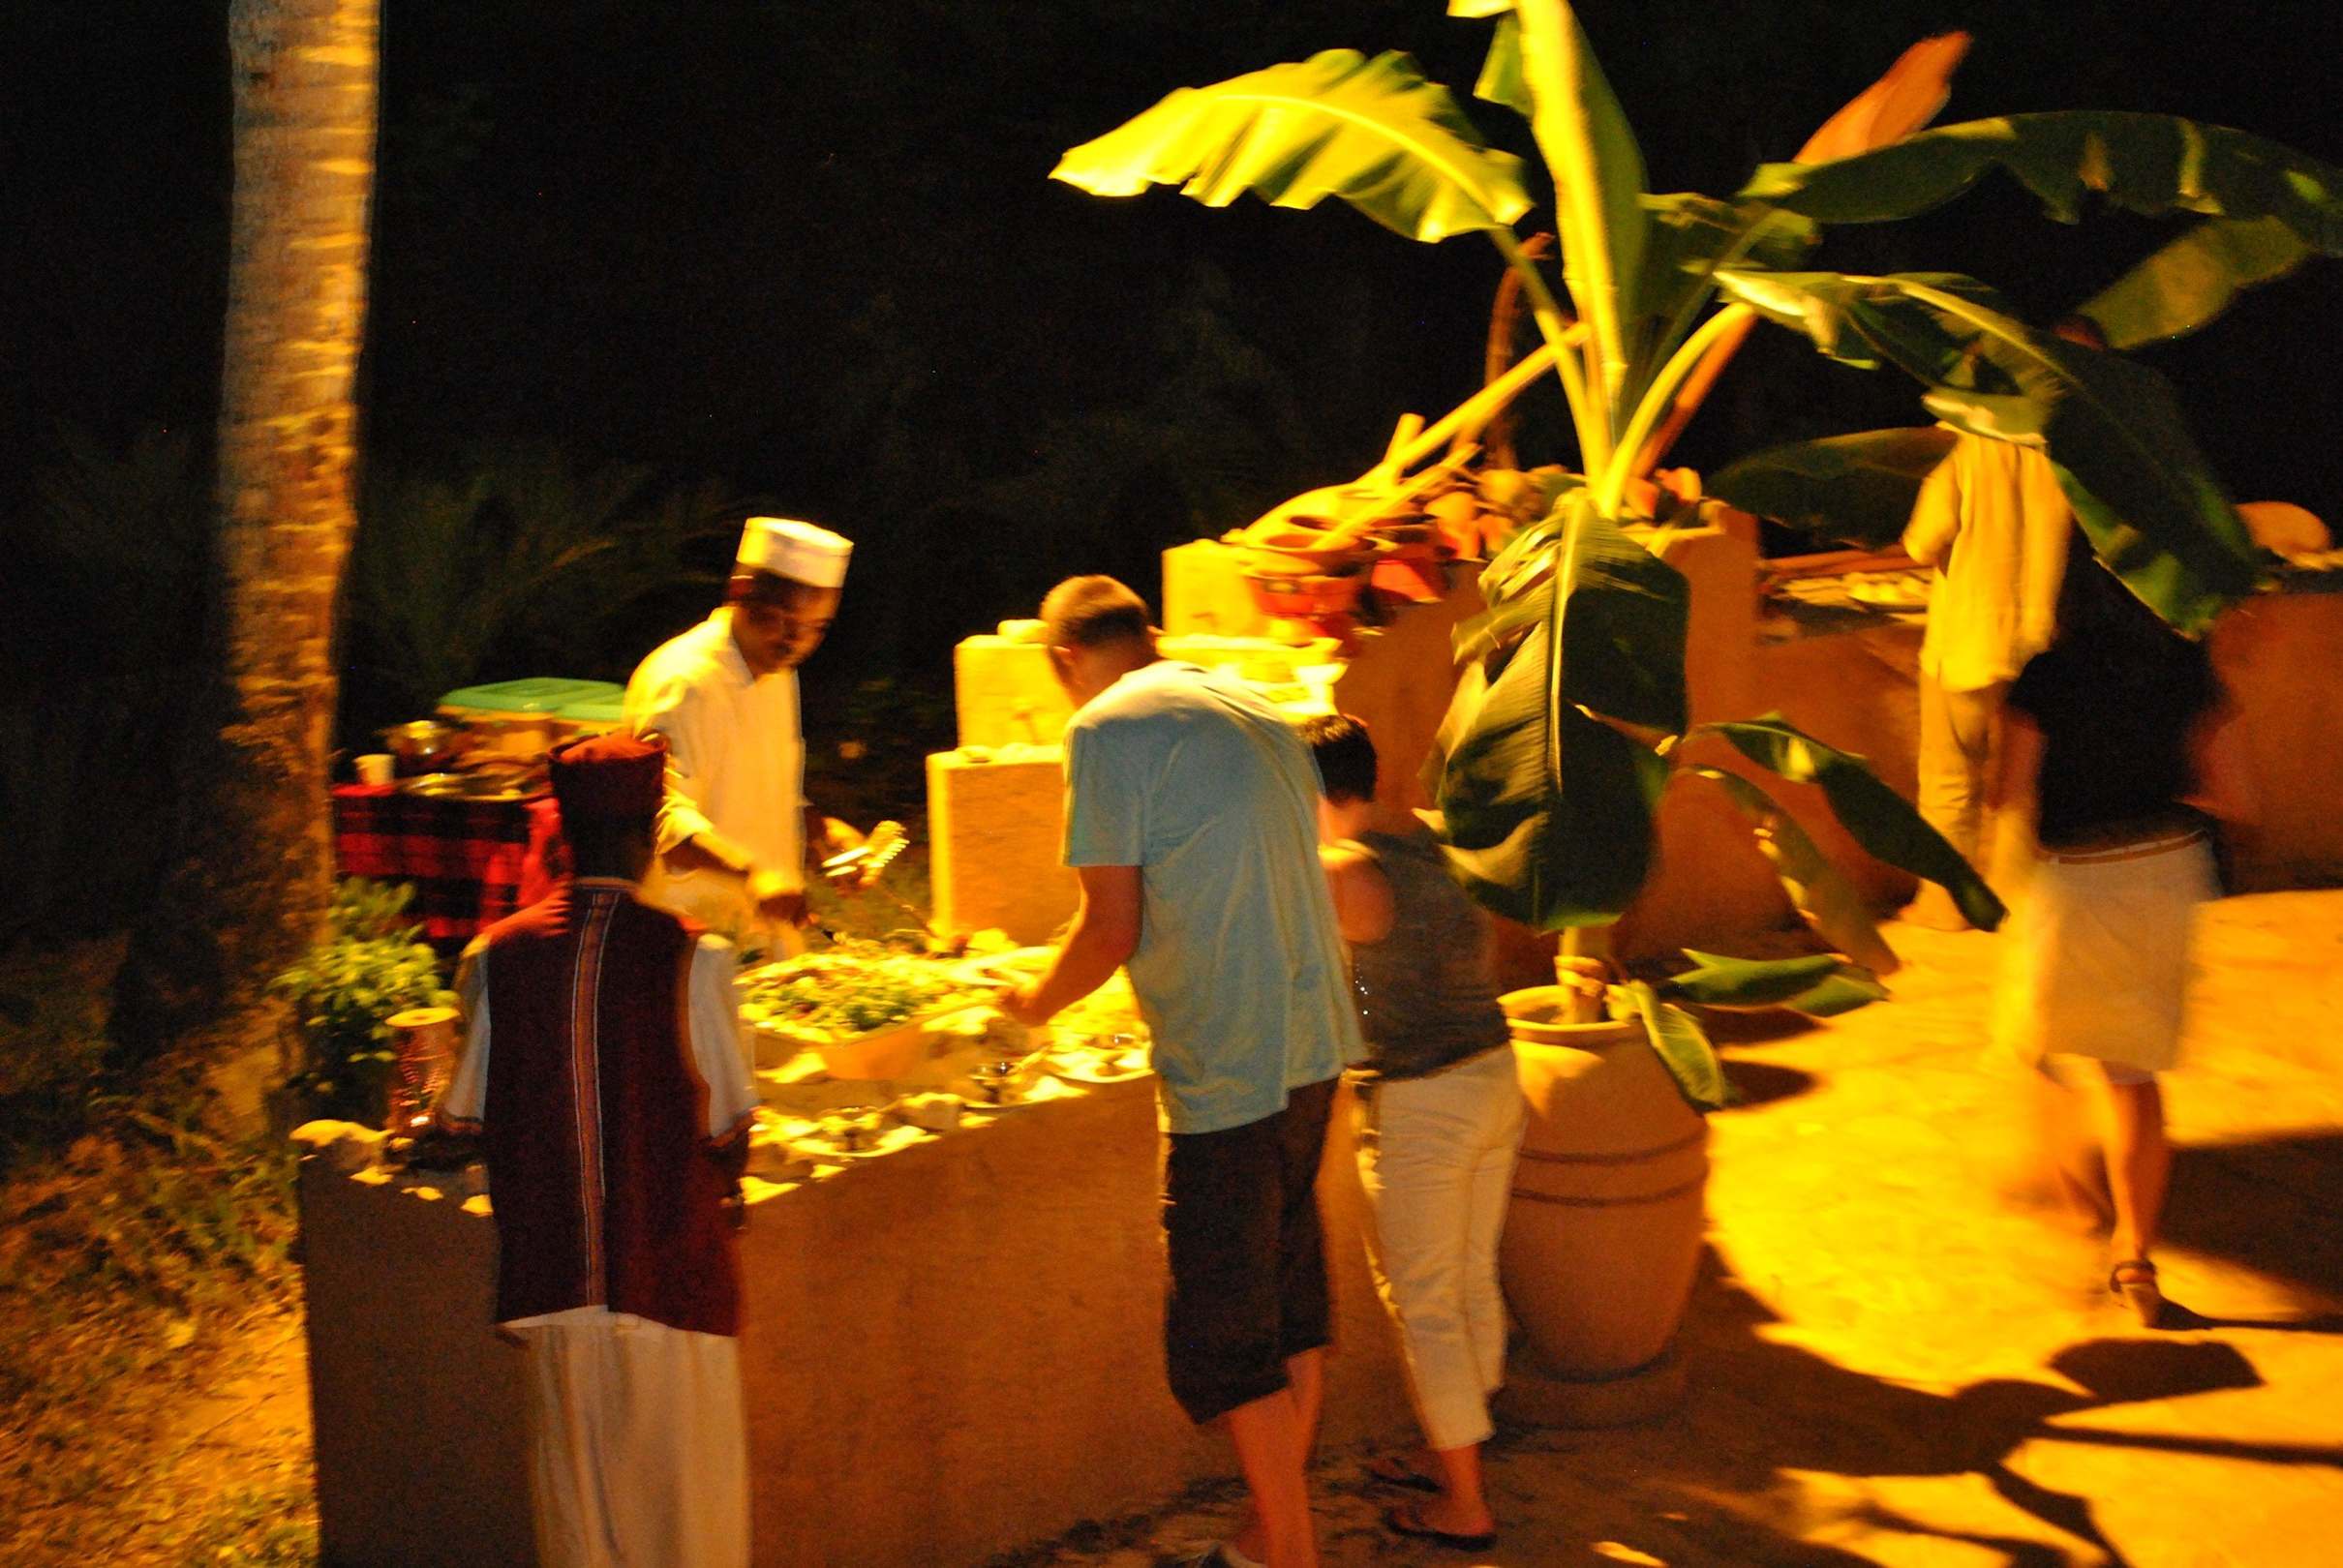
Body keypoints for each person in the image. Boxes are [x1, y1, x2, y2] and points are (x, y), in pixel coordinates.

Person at [1000, 576, 1362, 1568]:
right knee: (1289, 1304)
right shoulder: (1251, 702)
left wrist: (1026, 1007)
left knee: (1226, 1335)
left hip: (1228, 1065)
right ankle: (1265, 1539)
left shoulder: (1103, 731)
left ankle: (1291, 1552)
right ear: (1148, 635)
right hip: (1312, 1043)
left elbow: (1109, 928)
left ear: (1065, 660)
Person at [432, 731, 761, 1567]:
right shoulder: (694, 955)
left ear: (565, 837)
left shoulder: (494, 957)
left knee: (582, 1513)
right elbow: (728, 1130)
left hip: (555, 1283)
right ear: (650, 836)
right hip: (671, 1277)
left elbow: (462, 1118)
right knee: (685, 1513)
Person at [1990, 545, 2255, 1327]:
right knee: (2132, 1076)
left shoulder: (2046, 677)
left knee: (2041, 1039)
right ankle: (2133, 1256)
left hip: (2078, 879)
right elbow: (2241, 799)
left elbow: (2006, 793)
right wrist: (2167, 790)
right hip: (2167, 875)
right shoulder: (2187, 673)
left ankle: (2073, 1188)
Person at [1301, 714, 1523, 1553]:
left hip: (1425, 1102)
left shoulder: (1339, 870)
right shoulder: (1432, 840)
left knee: (1424, 1304)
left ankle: (1465, 1505)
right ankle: (1456, 1454)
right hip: (1494, 1075)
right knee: (1467, 1280)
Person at [623, 515, 855, 953]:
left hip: (761, 938)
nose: (796, 641)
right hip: (692, 938)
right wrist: (753, 874)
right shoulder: (685, 681)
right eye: (783, 618)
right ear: (741, 591)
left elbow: (765, 789)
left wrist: (822, 830)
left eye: (817, 627)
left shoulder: (777, 669)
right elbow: (661, 818)